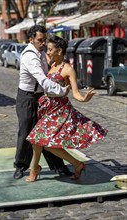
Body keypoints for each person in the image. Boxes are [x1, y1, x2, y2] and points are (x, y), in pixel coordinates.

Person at [25, 35, 108, 182]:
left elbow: (75, 93)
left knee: (44, 143)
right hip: (47, 109)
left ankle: (39, 168)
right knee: (36, 140)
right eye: (48, 49)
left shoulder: (68, 69)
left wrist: (84, 98)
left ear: (60, 50)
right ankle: (73, 165)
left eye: (50, 50)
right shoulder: (51, 65)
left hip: (59, 111)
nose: (48, 52)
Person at [13, 25, 73, 180]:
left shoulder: (41, 53)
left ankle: (58, 166)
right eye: (40, 40)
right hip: (26, 97)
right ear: (31, 39)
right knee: (26, 132)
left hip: (40, 97)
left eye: (44, 40)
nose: (43, 43)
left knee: (46, 132)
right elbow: (43, 80)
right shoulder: (30, 56)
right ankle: (20, 166)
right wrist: (62, 90)